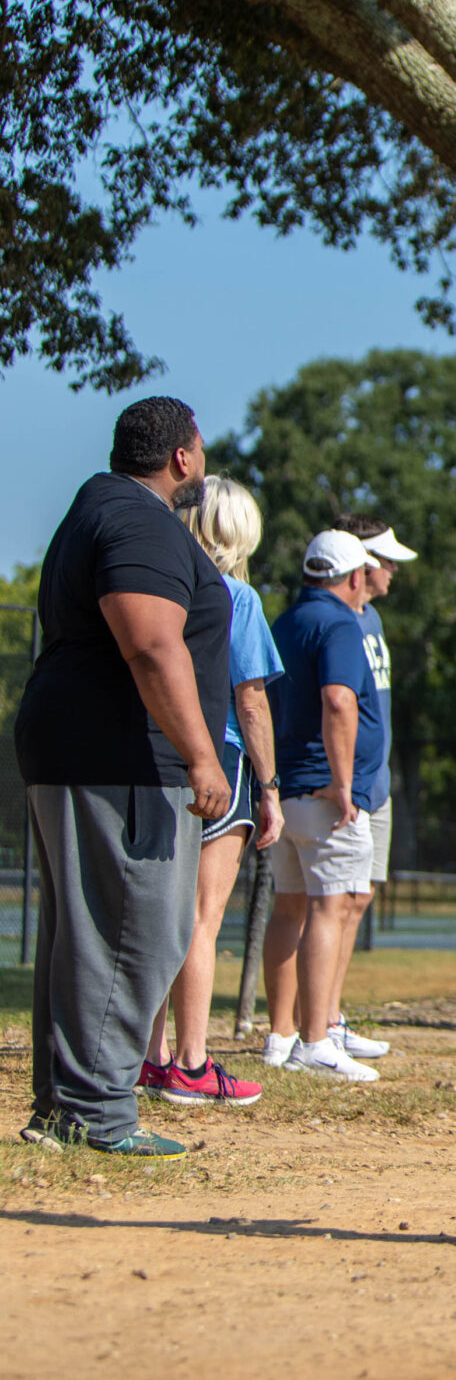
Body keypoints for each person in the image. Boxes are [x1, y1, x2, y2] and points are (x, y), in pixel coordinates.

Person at [14, 397, 232, 1158]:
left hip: (78, 745)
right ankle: (97, 1113)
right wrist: (203, 756)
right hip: (123, 758)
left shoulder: (93, 509)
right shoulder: (140, 521)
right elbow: (150, 644)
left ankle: (65, 1106)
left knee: (87, 933)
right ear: (182, 457)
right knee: (135, 930)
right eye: (200, 448)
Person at [141, 478, 283, 1107]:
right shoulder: (238, 597)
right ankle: (193, 1064)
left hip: (156, 757)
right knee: (202, 921)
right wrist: (270, 787)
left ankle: (150, 1057)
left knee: (156, 917)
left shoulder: (161, 585)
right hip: (220, 763)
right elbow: (250, 701)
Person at [260, 530, 385, 1081]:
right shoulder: (339, 623)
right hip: (324, 794)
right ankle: (317, 1041)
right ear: (355, 576)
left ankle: (281, 1036)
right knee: (331, 908)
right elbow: (338, 699)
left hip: (285, 791)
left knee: (288, 908)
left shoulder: (285, 620)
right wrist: (341, 783)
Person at [322, 512, 418, 1060]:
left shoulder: (373, 622)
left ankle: (331, 1016)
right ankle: (312, 1022)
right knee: (330, 901)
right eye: (384, 560)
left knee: (358, 899)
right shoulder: (338, 622)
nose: (390, 572)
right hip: (347, 787)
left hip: (375, 785)